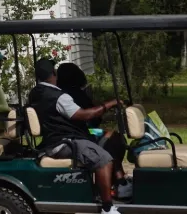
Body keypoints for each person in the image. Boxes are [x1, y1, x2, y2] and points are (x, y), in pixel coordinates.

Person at [27, 59, 121, 213]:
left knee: (107, 142)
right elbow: (84, 115)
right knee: (103, 159)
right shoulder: (59, 97)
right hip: (64, 141)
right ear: (54, 74)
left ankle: (115, 184)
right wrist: (108, 105)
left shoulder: (35, 93)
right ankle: (107, 207)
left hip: (51, 140)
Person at [56, 62, 132, 199]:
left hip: (81, 130)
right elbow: (92, 118)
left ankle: (118, 180)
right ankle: (119, 181)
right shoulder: (75, 94)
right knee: (113, 138)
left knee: (111, 136)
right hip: (81, 132)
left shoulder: (62, 93)